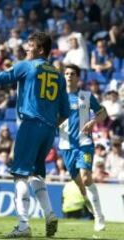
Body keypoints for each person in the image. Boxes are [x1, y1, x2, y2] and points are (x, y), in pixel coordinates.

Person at [0, 32, 70, 238]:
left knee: (20, 174)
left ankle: (23, 224)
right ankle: (49, 213)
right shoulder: (58, 74)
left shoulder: (27, 65)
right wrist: (48, 125)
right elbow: (65, 113)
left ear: (40, 50)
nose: (26, 48)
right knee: (37, 174)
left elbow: (2, 77)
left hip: (31, 125)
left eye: (30, 45)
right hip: (49, 130)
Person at [59, 64, 107, 232]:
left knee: (86, 178)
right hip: (65, 146)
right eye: (66, 73)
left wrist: (93, 121)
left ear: (78, 77)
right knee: (80, 184)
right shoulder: (57, 97)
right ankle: (90, 205)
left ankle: (99, 216)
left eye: (72, 73)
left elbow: (103, 112)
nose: (69, 76)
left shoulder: (85, 96)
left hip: (84, 143)